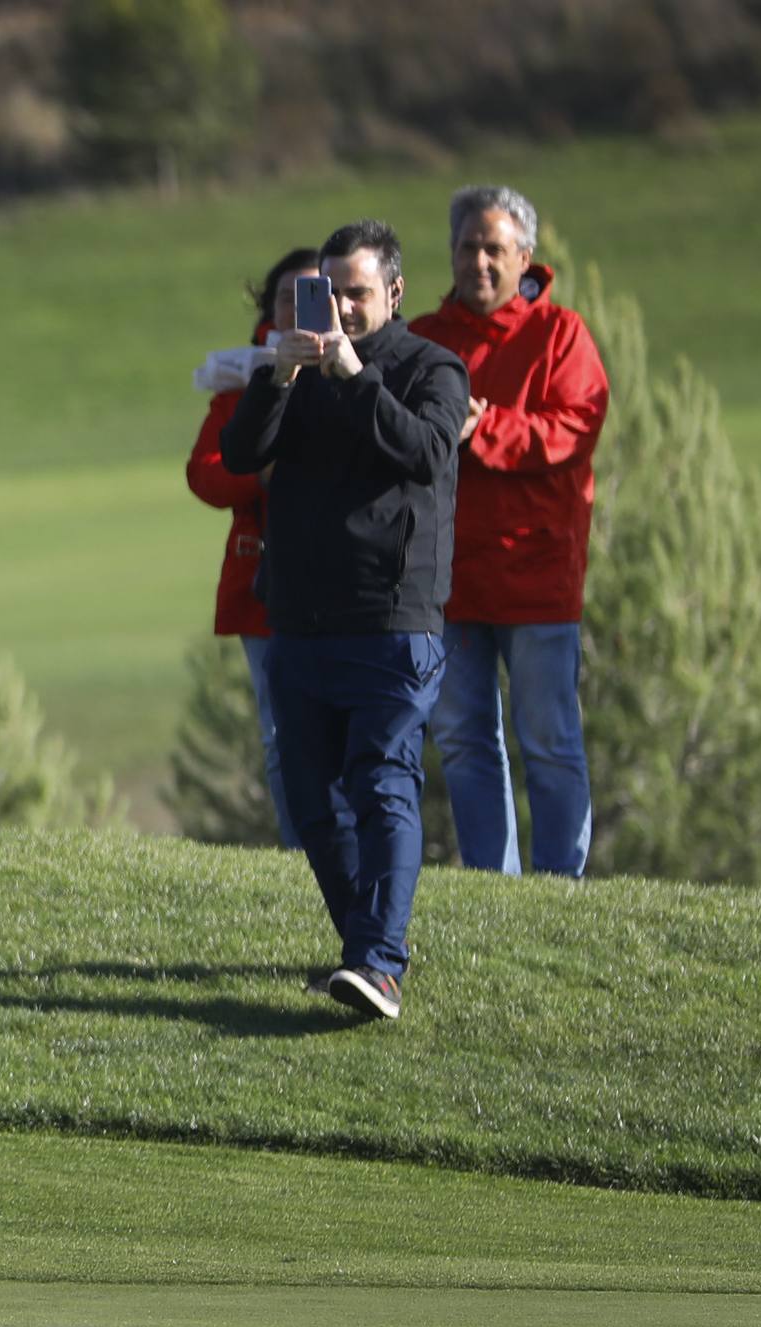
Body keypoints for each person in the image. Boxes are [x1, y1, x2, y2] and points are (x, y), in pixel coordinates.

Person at [219, 219, 469, 1020]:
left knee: (381, 782)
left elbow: (428, 453)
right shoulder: (294, 370)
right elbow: (236, 454)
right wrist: (277, 377)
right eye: (328, 292)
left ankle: (377, 963)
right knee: (308, 800)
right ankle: (365, 946)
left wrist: (354, 372)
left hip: (391, 620)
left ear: (392, 294)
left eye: (356, 293)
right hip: (297, 617)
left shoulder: (432, 367)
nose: (340, 308)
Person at [408, 186, 611, 876]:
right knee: (463, 740)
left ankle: (559, 887)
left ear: (523, 255)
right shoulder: (426, 341)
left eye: (493, 248)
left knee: (549, 740)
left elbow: (573, 430)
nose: (479, 262)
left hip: (536, 576)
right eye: (467, 247)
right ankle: (494, 886)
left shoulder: (561, 335)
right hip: (448, 578)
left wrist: (482, 427)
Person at [187, 248, 323, 849]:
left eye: (314, 293)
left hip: (350, 582)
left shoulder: (365, 368)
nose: (300, 306)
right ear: (267, 307)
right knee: (280, 734)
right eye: (288, 296)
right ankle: (303, 857)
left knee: (349, 737)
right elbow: (206, 475)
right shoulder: (241, 378)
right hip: (262, 583)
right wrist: (266, 472)